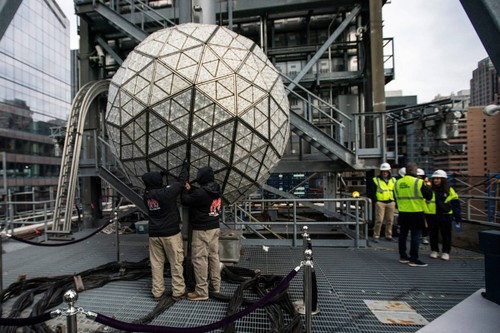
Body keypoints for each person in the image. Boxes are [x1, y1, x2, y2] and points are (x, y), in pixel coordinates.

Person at [142, 161, 189, 301]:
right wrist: (184, 167)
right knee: (176, 263)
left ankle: (157, 293)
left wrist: (160, 175)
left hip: (154, 235)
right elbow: (180, 183)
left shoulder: (147, 195)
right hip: (171, 234)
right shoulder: (166, 193)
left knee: (156, 265)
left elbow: (151, 183)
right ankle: (178, 291)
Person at [181, 166, 222, 301]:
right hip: (214, 227)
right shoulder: (217, 189)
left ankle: (201, 291)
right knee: (213, 257)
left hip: (201, 230)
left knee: (199, 260)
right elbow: (201, 195)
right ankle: (216, 286)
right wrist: (191, 189)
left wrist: (184, 190)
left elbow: (185, 201)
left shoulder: (200, 194)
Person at [394, 162, 433, 267]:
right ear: (415, 171)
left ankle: (403, 256)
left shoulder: (397, 183)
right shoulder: (419, 182)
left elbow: (395, 197)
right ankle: (413, 259)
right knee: (415, 236)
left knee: (403, 235)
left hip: (402, 212)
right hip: (416, 212)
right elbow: (429, 196)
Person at [424, 170, 462, 261]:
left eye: (438, 178)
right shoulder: (429, 190)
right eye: (434, 179)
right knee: (433, 234)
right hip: (432, 215)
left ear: (443, 180)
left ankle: (446, 252)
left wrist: (458, 216)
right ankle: (434, 250)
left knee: (446, 235)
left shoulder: (449, 190)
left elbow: (455, 202)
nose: (436, 180)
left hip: (445, 215)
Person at [371, 162, 397, 243]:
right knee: (379, 220)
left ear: (389, 171)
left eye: (386, 171)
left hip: (390, 202)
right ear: (381, 172)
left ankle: (388, 235)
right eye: (383, 171)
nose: (385, 173)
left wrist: (395, 201)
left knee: (390, 220)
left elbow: (395, 191)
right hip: (380, 202)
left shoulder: (393, 180)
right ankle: (376, 235)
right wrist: (376, 200)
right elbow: (372, 191)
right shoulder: (376, 180)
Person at [417, 168, 430, 245]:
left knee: (425, 223)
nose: (419, 178)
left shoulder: (426, 184)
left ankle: (424, 237)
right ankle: (419, 236)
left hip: (425, 206)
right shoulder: (415, 184)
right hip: (416, 205)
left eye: (420, 176)